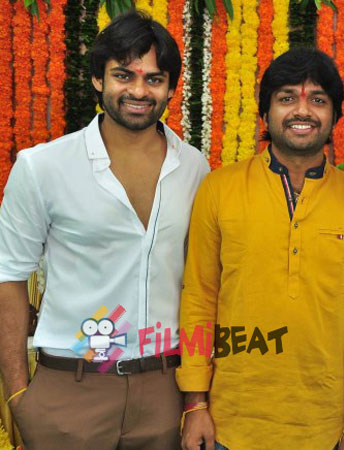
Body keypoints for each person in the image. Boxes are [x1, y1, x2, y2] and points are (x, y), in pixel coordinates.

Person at [0, 10, 209, 450]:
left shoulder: (194, 167)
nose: (139, 91)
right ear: (98, 79)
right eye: (123, 75)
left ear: (171, 88)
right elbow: (8, 276)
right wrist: (18, 394)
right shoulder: (42, 167)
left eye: (154, 79)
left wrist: (195, 398)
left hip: (164, 390)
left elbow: (201, 283)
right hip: (69, 387)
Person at [176, 47, 344, 450]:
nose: (302, 110)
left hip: (323, 429)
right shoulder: (219, 189)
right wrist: (195, 402)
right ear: (266, 113)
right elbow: (199, 300)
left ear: (335, 116)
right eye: (287, 98)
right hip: (228, 425)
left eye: (318, 100)